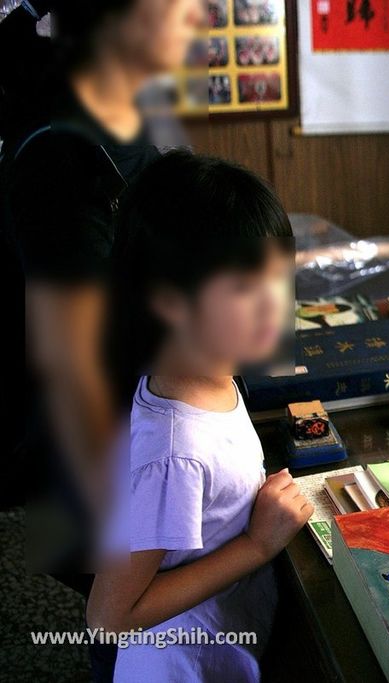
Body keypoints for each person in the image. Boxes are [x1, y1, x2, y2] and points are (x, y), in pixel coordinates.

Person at [86, 152, 310, 680]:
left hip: (226, 636)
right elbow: (107, 619)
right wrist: (256, 543)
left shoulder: (208, 373)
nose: (275, 305)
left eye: (280, 279)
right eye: (245, 289)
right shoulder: (174, 454)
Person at [0, 0, 201, 586]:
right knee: (130, 647)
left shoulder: (117, 113)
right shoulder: (59, 153)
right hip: (113, 462)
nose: (197, 18)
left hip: (151, 422)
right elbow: (77, 361)